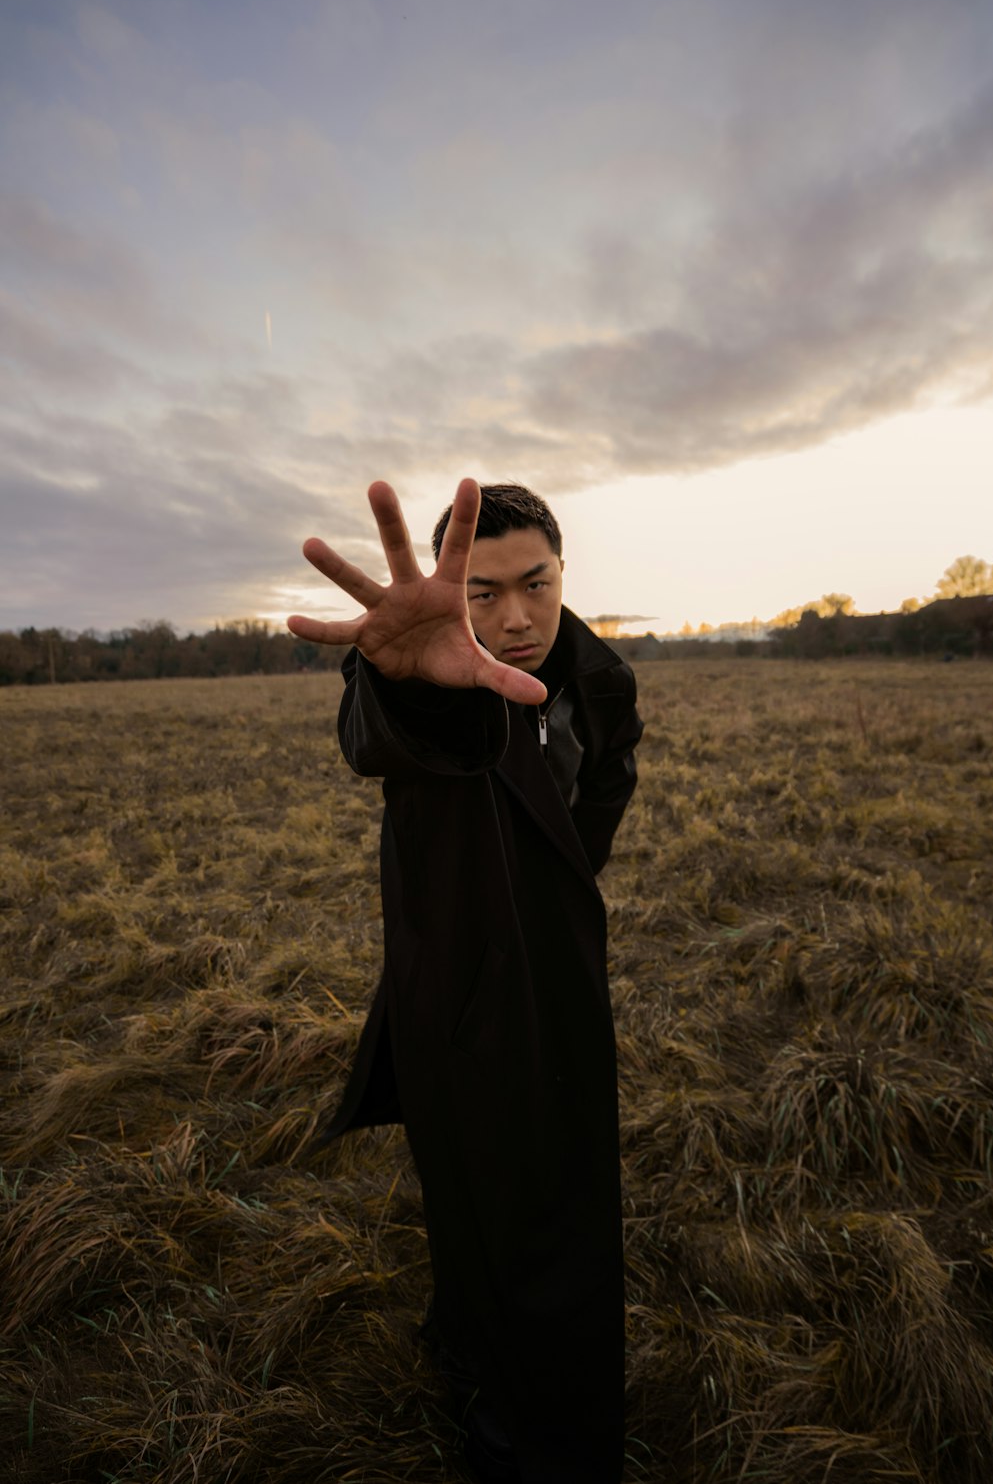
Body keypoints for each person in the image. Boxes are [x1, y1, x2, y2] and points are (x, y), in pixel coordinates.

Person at [288, 477, 643, 1484]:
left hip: (561, 977)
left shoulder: (603, 682)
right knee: (478, 1188)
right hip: (454, 981)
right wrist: (409, 684)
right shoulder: (426, 675)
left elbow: (598, 796)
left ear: (564, 571)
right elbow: (382, 734)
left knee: (560, 1190)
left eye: (535, 582)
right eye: (482, 592)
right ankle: (499, 1404)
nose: (516, 616)